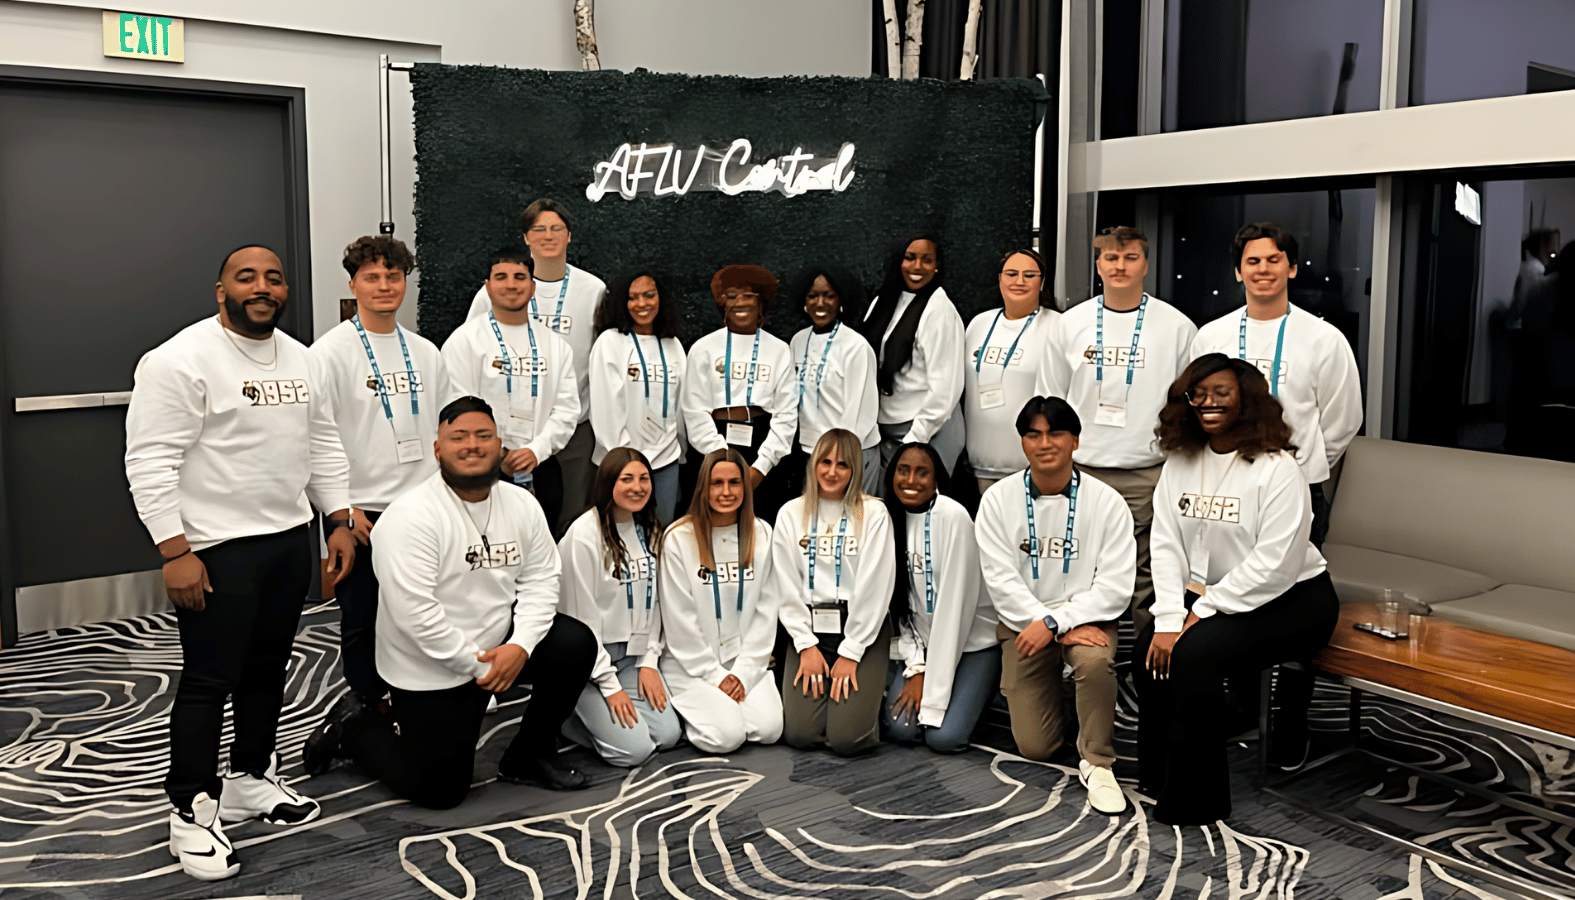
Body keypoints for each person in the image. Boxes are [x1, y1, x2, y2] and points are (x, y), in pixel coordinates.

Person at [124, 245, 355, 881]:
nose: (262, 287)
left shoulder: (303, 359)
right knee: (209, 679)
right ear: (220, 288)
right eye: (246, 277)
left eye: (274, 278)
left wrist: (337, 519)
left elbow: (323, 442)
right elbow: (149, 461)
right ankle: (191, 810)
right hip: (215, 550)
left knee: (267, 668)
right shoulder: (178, 359)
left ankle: (251, 777)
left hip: (287, 539)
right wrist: (175, 551)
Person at [310, 397, 599, 807]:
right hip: (429, 665)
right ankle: (356, 728)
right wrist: (482, 667)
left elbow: (542, 579)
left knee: (575, 643)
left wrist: (520, 647)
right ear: (437, 449)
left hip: (498, 648)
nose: (472, 445)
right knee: (440, 792)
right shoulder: (411, 517)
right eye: (458, 436)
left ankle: (529, 755)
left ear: (500, 445)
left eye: (484, 436)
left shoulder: (522, 505)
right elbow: (416, 618)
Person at [1136, 354, 1339, 825]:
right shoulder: (1181, 461)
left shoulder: (1278, 469)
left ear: (1246, 400)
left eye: (1220, 393)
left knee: (1193, 655)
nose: (1207, 403)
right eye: (1197, 394)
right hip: (1214, 595)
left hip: (1294, 600)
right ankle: (1160, 774)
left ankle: (1197, 799)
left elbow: (1275, 563)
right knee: (1148, 647)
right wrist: (1169, 619)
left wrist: (1202, 612)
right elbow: (1165, 545)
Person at [304, 236, 456, 768]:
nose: (385, 286)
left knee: (419, 608)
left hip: (420, 508)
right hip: (360, 511)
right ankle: (363, 706)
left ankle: (413, 697)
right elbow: (315, 439)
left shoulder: (426, 353)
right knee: (362, 615)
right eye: (372, 277)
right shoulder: (327, 354)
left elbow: (442, 432)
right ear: (352, 285)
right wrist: (340, 514)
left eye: (394, 277)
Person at [976, 396, 1135, 816]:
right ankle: (1072, 701)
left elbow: (1116, 587)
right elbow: (1001, 582)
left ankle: (1099, 763)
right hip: (1023, 623)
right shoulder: (996, 500)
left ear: (1075, 441)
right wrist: (1049, 625)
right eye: (1033, 434)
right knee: (1036, 747)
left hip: (1087, 620)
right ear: (1023, 443)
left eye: (1056, 433)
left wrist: (1058, 621)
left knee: (1095, 662)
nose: (1045, 444)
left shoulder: (1106, 502)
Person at [1037, 227, 1197, 637]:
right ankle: (1088, 664)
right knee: (1080, 570)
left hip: (1149, 472)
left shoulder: (1177, 327)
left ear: (1146, 264)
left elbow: (1188, 404)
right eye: (1111, 258)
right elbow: (1050, 400)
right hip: (1084, 470)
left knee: (1151, 578)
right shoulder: (1070, 324)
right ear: (1098, 266)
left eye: (1129, 258)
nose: (1120, 266)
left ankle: (1147, 670)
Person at [1188, 223, 1361, 546]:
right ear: (1238, 272)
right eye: (1252, 261)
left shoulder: (1324, 339)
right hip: (1223, 484)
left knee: (1293, 589)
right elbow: (1196, 409)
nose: (1263, 269)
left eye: (1273, 259)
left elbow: (1343, 421)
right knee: (1219, 579)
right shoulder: (1210, 337)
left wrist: (1296, 467)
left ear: (1291, 269)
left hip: (1296, 485)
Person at [465, 199, 606, 532]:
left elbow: (605, 355)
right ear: (526, 237)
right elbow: (471, 346)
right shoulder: (496, 291)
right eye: (538, 229)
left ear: (569, 235)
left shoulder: (594, 290)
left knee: (571, 519)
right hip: (506, 433)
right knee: (503, 522)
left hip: (572, 425)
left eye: (556, 228)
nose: (548, 236)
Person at [772, 429, 897, 757]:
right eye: (825, 462)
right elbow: (785, 585)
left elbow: (876, 586)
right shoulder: (790, 514)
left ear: (855, 469)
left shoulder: (873, 514)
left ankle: (867, 703)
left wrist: (852, 651)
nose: (832, 471)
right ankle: (842, 702)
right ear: (813, 464)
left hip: (861, 630)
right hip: (809, 629)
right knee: (799, 734)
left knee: (846, 740)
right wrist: (805, 644)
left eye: (843, 465)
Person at [557, 448, 683, 767]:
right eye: (626, 479)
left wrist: (650, 661)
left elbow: (657, 604)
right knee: (634, 751)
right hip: (587, 666)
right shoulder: (584, 536)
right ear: (607, 483)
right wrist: (610, 687)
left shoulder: (651, 530)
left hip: (632, 657)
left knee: (667, 737)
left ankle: (603, 720)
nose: (637, 487)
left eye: (644, 479)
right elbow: (580, 622)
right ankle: (567, 715)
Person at [443, 246, 581, 530]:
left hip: (540, 466)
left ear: (532, 287)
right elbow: (457, 407)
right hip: (482, 468)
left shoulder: (556, 346)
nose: (510, 284)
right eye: (501, 276)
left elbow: (566, 410)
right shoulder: (464, 341)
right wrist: (499, 455)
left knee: (541, 548)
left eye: (519, 277)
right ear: (487, 286)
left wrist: (536, 450)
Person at [658, 448, 784, 753]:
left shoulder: (762, 533)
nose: (726, 492)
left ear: (746, 486)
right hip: (692, 664)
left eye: (735, 483)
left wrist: (742, 672)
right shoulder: (678, 538)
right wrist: (716, 676)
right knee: (726, 737)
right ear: (704, 487)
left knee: (769, 729)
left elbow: (766, 613)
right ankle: (696, 714)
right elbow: (679, 623)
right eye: (717, 483)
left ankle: (723, 706)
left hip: (743, 660)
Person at [882, 442, 1000, 753]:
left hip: (972, 643)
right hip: (923, 646)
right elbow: (900, 608)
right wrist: (917, 665)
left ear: (937, 480)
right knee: (902, 730)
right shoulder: (888, 519)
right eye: (903, 471)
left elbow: (953, 615)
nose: (911, 481)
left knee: (944, 738)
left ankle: (977, 690)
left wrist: (928, 682)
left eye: (922, 473)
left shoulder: (953, 517)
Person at [679, 265, 798, 522]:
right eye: (732, 296)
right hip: (715, 442)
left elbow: (786, 415)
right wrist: (721, 461)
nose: (740, 302)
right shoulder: (704, 348)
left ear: (761, 303)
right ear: (722, 303)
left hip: (762, 443)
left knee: (762, 522)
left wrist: (761, 467)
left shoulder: (779, 350)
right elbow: (694, 410)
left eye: (749, 296)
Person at [861, 236, 967, 475]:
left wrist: (915, 440)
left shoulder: (938, 309)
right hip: (886, 429)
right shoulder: (884, 300)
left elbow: (946, 387)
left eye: (927, 260)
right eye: (910, 258)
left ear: (937, 265)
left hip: (929, 430)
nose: (917, 267)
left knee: (923, 508)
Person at [588, 268, 686, 520]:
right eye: (633, 297)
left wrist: (679, 452)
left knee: (660, 537)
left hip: (665, 462)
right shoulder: (610, 342)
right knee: (622, 537)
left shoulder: (672, 345)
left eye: (649, 295)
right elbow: (606, 409)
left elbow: (680, 405)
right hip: (622, 466)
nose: (642, 304)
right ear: (622, 302)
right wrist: (626, 463)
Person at [965, 249, 1060, 493]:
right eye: (1012, 273)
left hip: (1033, 466)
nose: (1019, 281)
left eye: (1029, 275)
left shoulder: (1058, 326)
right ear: (1000, 279)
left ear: (1042, 282)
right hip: (980, 465)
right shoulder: (978, 324)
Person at [785, 265, 881, 496]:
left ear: (841, 300)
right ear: (804, 301)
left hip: (851, 455)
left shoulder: (856, 346)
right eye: (813, 295)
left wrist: (840, 459)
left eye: (829, 296)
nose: (820, 303)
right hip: (811, 452)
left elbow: (860, 410)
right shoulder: (798, 341)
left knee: (853, 526)